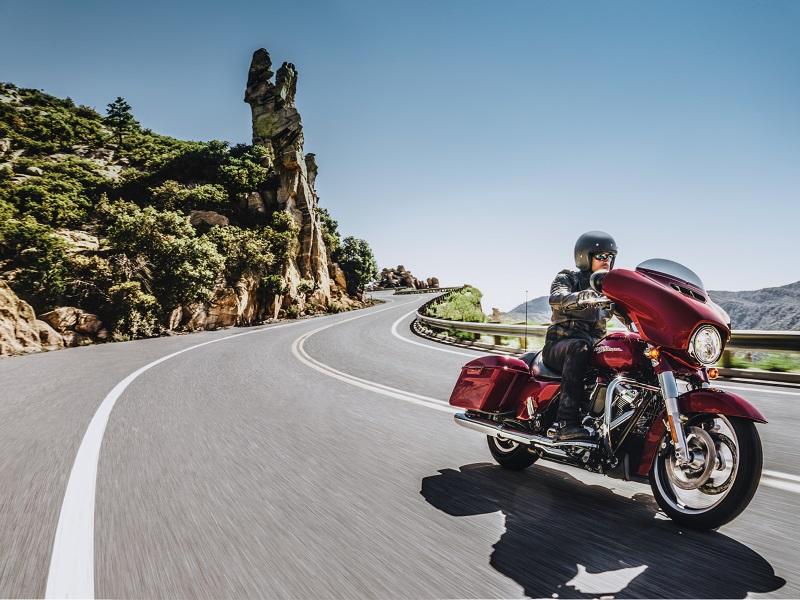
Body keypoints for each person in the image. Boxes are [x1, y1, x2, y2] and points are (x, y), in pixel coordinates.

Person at [542, 231, 617, 441]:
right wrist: (579, 297)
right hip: (559, 346)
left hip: (591, 347)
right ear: (585, 256)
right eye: (601, 256)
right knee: (580, 347)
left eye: (610, 256)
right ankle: (566, 422)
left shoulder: (608, 290)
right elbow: (557, 296)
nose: (607, 260)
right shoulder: (568, 277)